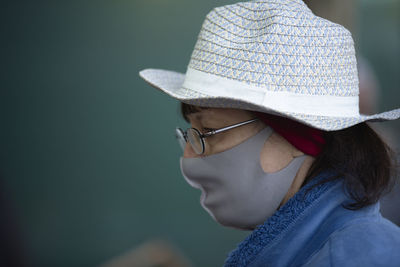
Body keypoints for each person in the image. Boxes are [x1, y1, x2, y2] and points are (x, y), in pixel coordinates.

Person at [139, 0, 400, 266]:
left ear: (299, 135)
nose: (189, 157)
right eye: (189, 133)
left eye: (209, 131)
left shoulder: (357, 259)